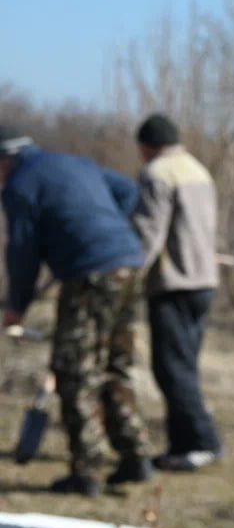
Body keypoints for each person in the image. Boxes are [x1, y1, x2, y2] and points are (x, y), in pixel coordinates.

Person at [1, 127, 153, 495]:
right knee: (115, 362)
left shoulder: (20, 186)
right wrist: (102, 227)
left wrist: (16, 307)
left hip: (90, 274)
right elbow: (129, 192)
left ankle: (87, 471)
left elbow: (22, 253)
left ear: (5, 160)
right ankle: (135, 456)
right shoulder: (73, 163)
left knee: (75, 369)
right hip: (130, 262)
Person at [132, 114, 222, 472]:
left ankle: (203, 442)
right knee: (184, 366)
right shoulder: (198, 170)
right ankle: (181, 445)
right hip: (203, 281)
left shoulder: (157, 174)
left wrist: (127, 276)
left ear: (148, 146)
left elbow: (148, 233)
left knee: (170, 369)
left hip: (174, 282)